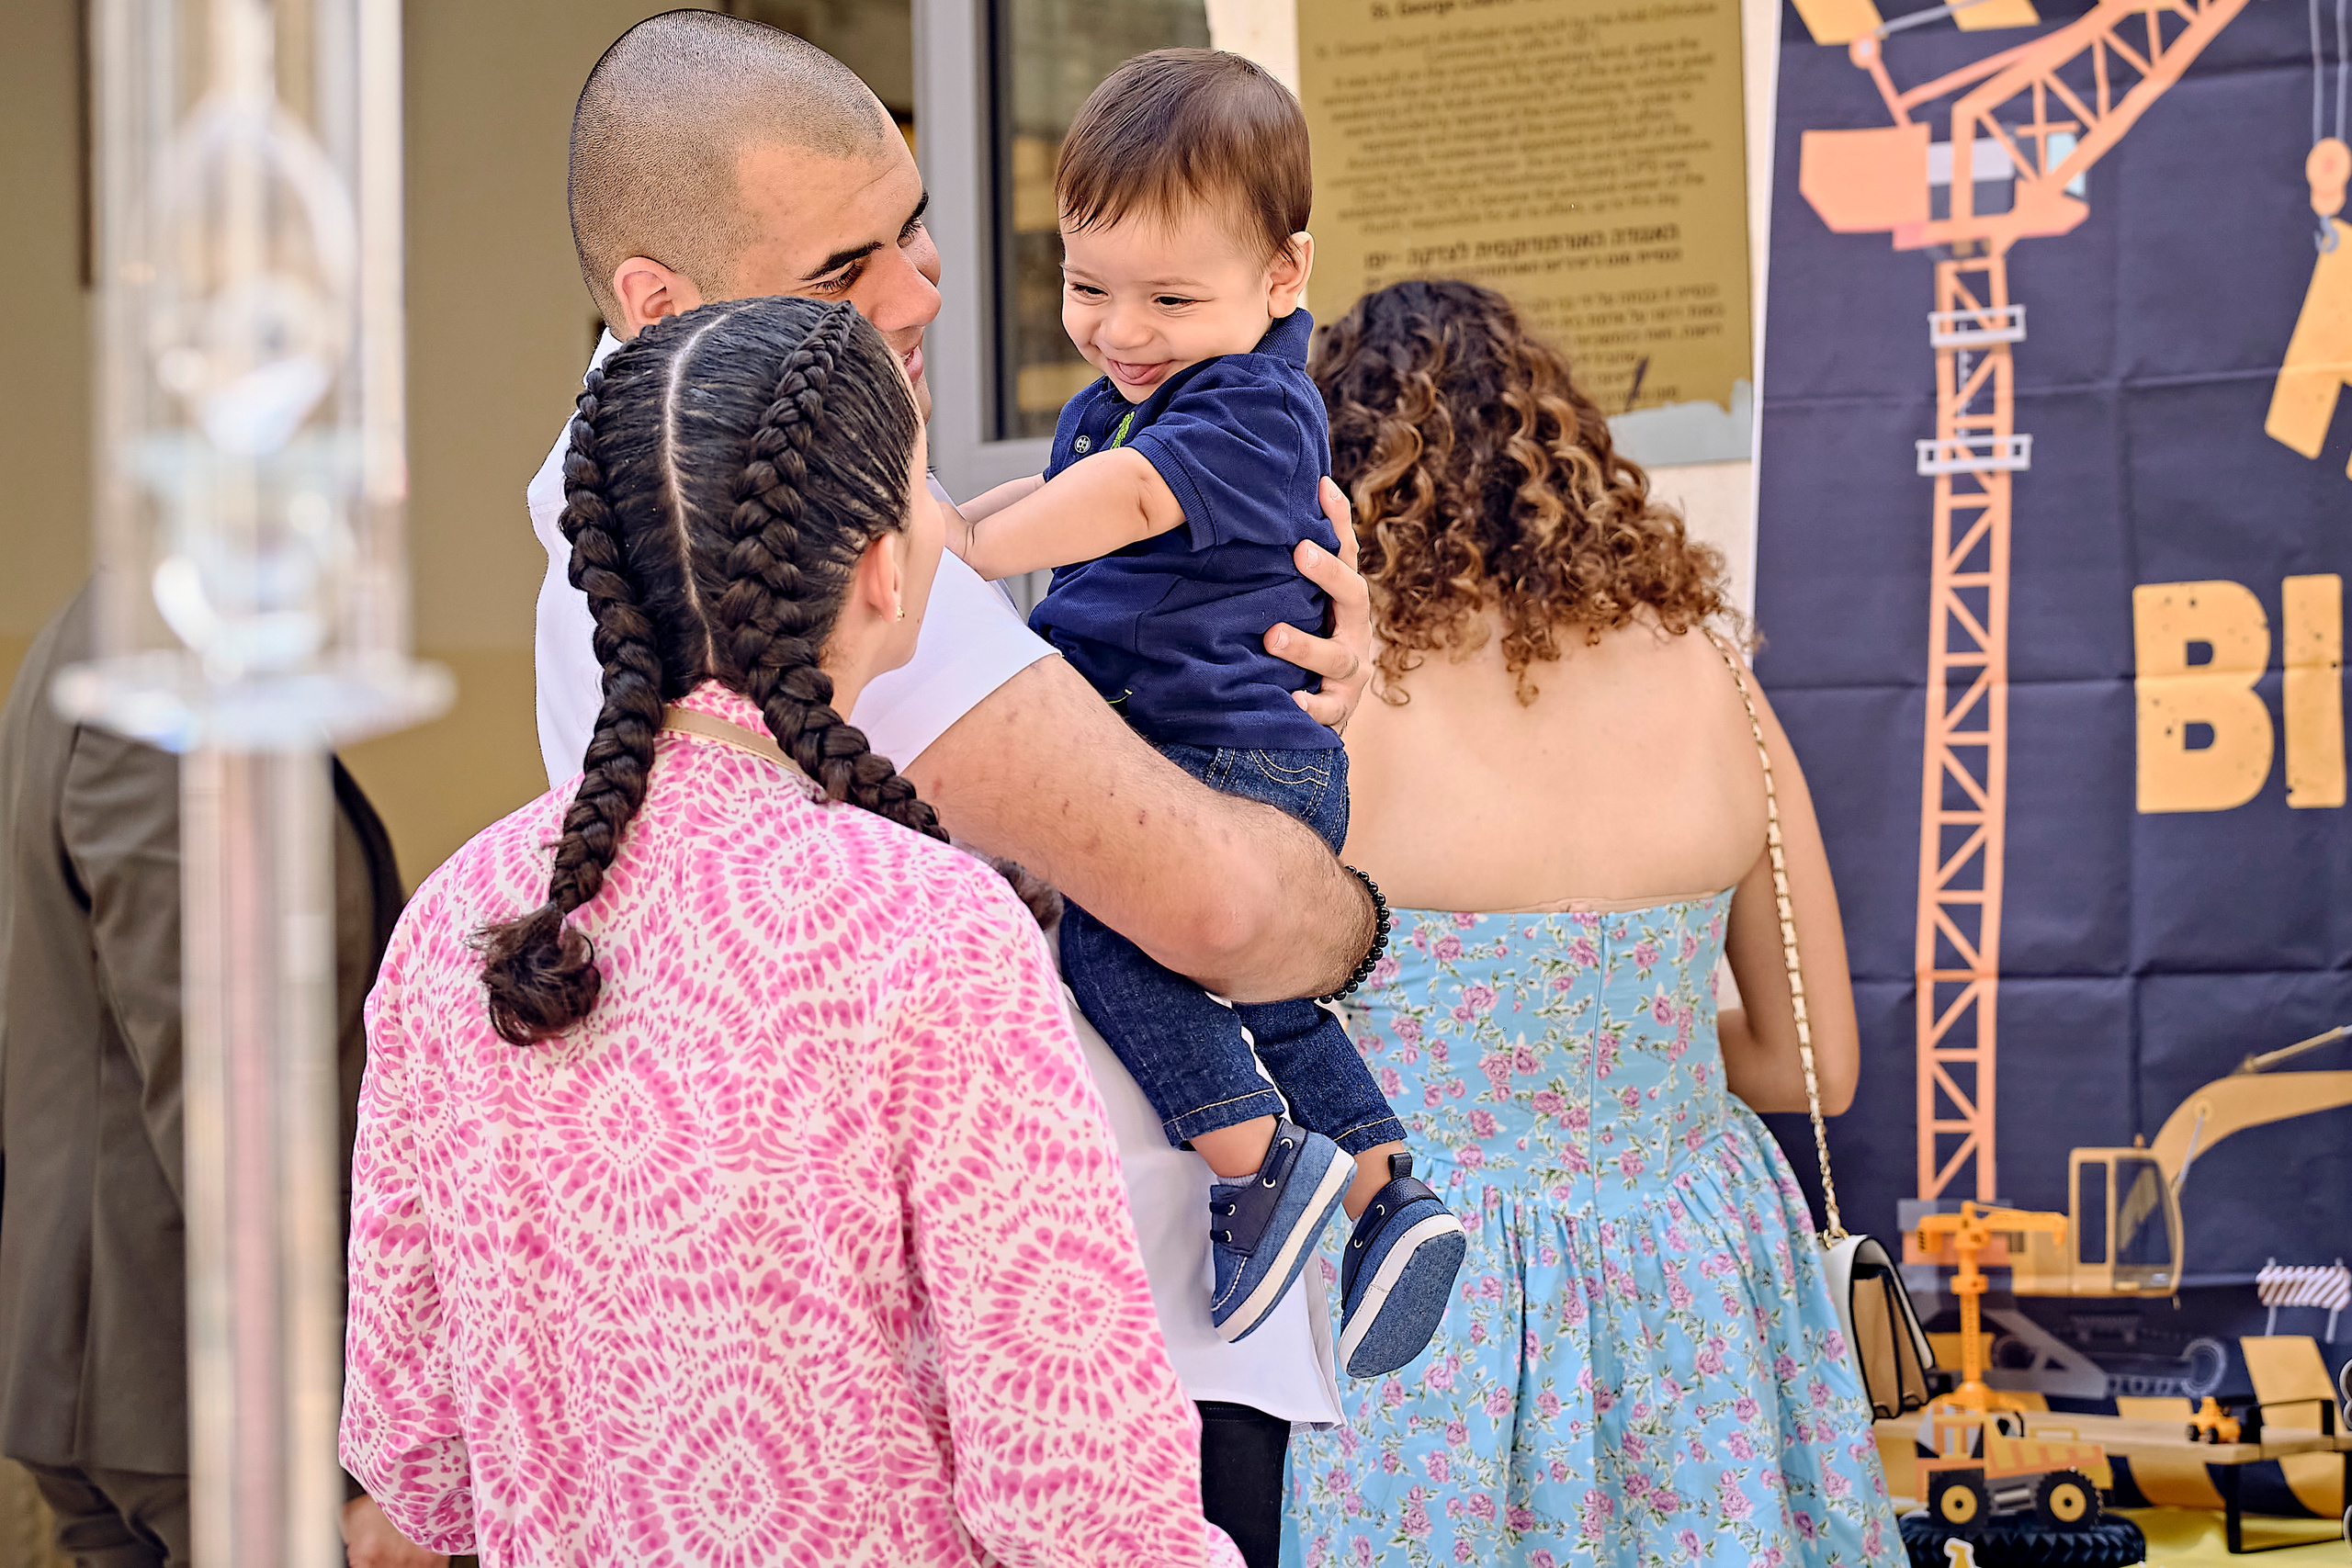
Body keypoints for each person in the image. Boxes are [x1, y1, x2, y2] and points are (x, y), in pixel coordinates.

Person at [530, 16, 1374, 1564]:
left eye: (916, 226)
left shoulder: (639, 521)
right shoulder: (831, 579)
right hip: (1060, 1381)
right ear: (660, 299)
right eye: (847, 268)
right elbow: (1223, 903)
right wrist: (1353, 917)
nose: (923, 291)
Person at [342, 297, 1244, 1566]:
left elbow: (418, 1465)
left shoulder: (456, 918)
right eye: (930, 489)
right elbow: (1078, 1493)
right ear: (885, 565)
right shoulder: (934, 930)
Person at [1280, 280, 1903, 1567]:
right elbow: (1813, 1064)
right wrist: (1623, 1044)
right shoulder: (1716, 676)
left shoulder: (1326, 711)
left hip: (1430, 1286)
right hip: (1704, 1286)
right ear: (1567, 459)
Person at [947, 49, 1463, 1367]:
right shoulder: (1139, 390)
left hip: (1226, 753)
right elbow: (1037, 520)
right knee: (1279, 1001)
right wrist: (950, 532)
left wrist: (962, 551)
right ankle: (1385, 1194)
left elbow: (1118, 508)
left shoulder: (1251, 404)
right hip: (1245, 747)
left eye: (1170, 296)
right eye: (1084, 286)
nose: (1121, 328)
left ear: (1283, 276)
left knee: (1125, 941)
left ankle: (1259, 1171)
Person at [0, 585, 444, 1568]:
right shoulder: (165, 683)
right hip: (188, 1386)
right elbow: (231, 1098)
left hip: (141, 1368)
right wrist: (356, 1448)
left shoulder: (119, 639)